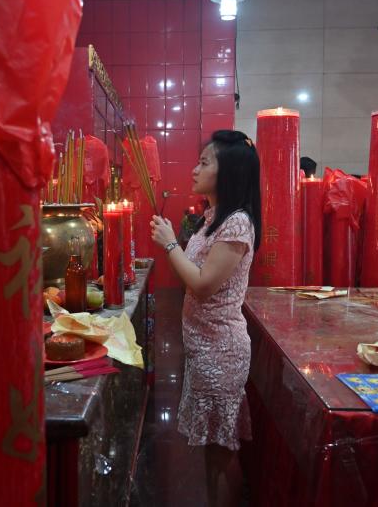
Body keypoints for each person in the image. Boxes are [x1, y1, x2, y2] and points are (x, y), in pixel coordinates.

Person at [150, 130, 261, 507]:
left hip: (221, 349)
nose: (195, 169)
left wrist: (169, 243)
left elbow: (201, 285)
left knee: (220, 452)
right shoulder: (214, 217)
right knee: (211, 449)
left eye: (204, 162)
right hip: (203, 348)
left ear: (227, 171)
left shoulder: (237, 224)